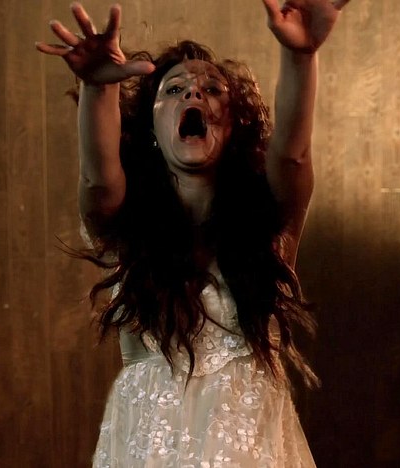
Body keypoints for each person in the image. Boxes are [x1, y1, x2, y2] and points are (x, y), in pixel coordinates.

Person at [37, 1, 348, 465]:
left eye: (212, 89)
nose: (193, 93)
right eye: (174, 89)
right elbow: (97, 181)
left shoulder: (269, 224)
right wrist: (98, 90)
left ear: (235, 123)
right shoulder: (126, 225)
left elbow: (293, 156)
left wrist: (301, 55)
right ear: (152, 128)